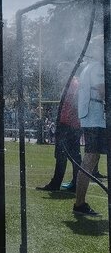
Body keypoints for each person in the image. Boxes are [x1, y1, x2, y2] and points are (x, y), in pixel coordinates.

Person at [37, 62, 82, 192]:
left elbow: (74, 104)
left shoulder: (73, 84)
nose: (59, 74)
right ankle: (74, 183)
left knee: (65, 154)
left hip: (69, 125)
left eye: (61, 71)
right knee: (72, 155)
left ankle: (58, 183)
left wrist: (68, 122)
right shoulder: (72, 83)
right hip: (70, 124)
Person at [73, 37, 105, 216]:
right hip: (95, 118)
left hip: (93, 117)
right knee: (91, 157)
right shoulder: (98, 68)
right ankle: (79, 203)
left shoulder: (88, 67)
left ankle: (80, 203)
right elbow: (103, 91)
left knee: (91, 158)